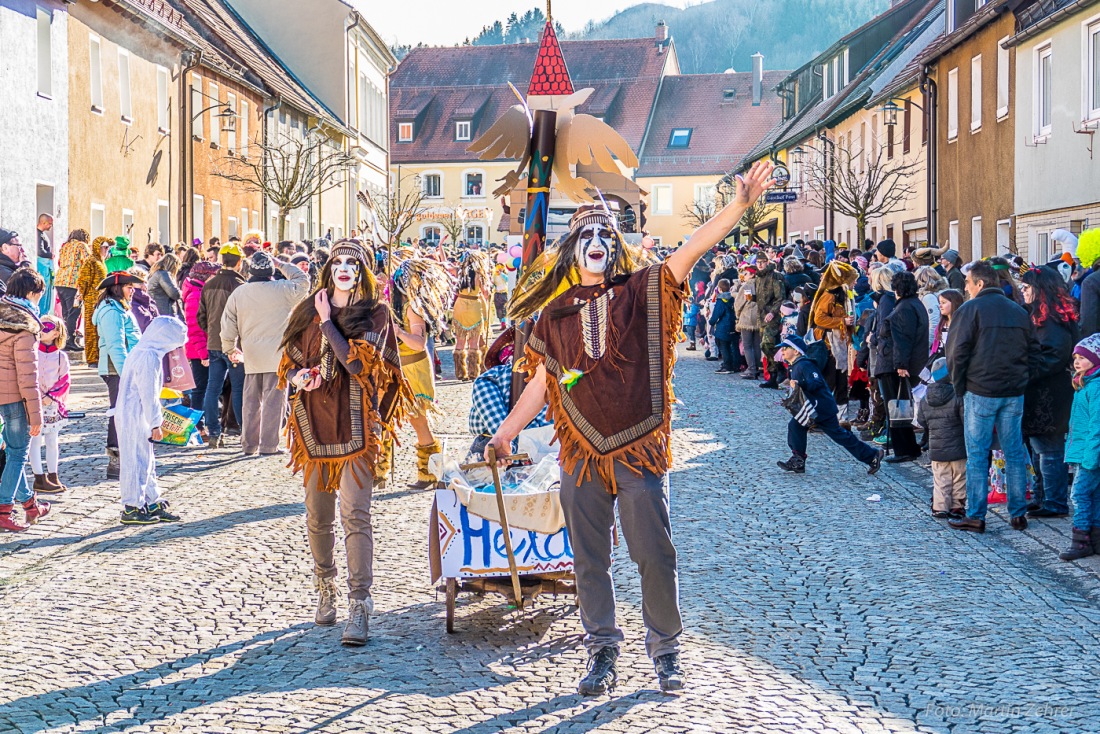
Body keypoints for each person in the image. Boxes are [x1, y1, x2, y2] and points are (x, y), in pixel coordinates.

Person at [487, 161, 776, 696]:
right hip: (582, 454)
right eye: (586, 235)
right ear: (571, 251)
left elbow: (690, 250)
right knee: (589, 559)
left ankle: (666, 651)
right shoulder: (552, 316)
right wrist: (505, 433)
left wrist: (739, 205)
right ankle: (601, 650)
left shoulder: (642, 290)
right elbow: (544, 383)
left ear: (615, 248)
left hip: (639, 447)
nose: (596, 240)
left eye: (605, 234)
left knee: (654, 554)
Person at [278, 240, 413, 646]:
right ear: (327, 268)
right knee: (317, 516)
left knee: (356, 514)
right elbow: (288, 360)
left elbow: (357, 363)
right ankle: (325, 587)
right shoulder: (305, 309)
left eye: (351, 263)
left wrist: (326, 322)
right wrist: (297, 378)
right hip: (314, 426)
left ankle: (359, 602)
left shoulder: (375, 313)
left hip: (358, 427)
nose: (343, 268)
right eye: (336, 261)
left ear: (362, 270)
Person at [947, 260, 1039, 533]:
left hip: (981, 390)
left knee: (977, 454)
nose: (966, 287)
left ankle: (976, 515)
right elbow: (1034, 351)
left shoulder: (970, 310)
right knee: (1013, 453)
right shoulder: (1018, 310)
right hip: (1012, 391)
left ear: (980, 283)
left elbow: (956, 353)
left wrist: (959, 386)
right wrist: (1023, 379)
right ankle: (1018, 513)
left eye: (968, 283)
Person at [221, 250, 310, 456]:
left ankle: (249, 445)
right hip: (277, 355)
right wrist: (282, 264)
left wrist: (230, 348)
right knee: (273, 402)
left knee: (250, 402)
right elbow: (303, 281)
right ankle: (269, 445)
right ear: (271, 271)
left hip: (250, 354)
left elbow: (228, 324)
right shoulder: (283, 289)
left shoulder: (240, 293)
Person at [776, 334, 885, 475]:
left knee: (839, 435)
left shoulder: (805, 365)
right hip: (812, 408)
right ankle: (798, 459)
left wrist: (800, 384)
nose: (782, 351)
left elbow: (816, 382)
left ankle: (871, 455)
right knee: (796, 426)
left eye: (785, 348)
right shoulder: (795, 366)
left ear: (796, 351)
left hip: (821, 407)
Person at [115, 316, 186, 525]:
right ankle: (132, 506)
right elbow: (148, 393)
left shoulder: (144, 351)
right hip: (135, 414)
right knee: (135, 460)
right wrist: (156, 422)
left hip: (137, 412)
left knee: (147, 459)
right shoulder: (148, 357)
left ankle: (151, 500)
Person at [1020, 267, 1079, 519]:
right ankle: (1042, 496)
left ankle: (1054, 502)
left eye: (1026, 287)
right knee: (1039, 448)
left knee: (1049, 450)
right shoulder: (1041, 316)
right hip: (1040, 392)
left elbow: (1053, 356)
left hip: (1050, 394)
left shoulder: (1053, 320)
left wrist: (1027, 372)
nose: (1022, 291)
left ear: (1040, 289)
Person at [390, 258, 450, 489]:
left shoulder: (413, 308)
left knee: (418, 422)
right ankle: (380, 470)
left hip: (414, 371)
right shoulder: (397, 306)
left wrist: (397, 332)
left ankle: (430, 474)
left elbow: (418, 343)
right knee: (385, 419)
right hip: (397, 369)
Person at [0, 269, 52, 532]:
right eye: (40, 295)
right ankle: (3, 510)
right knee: (18, 453)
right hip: (15, 398)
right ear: (32, 294)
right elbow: (27, 376)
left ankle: (30, 505)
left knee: (12, 453)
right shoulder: (25, 326)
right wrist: (36, 414)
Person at [92, 271, 143, 479]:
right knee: (118, 412)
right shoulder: (111, 311)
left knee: (125, 411)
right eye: (129, 287)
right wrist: (128, 373)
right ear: (117, 288)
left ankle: (126, 455)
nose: (133, 291)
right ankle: (116, 459)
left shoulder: (119, 308)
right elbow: (116, 346)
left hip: (124, 368)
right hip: (117, 370)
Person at [198, 242, 247, 448]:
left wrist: (211, 331)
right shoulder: (241, 286)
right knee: (238, 388)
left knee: (213, 388)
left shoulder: (209, 284)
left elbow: (201, 316)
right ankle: (245, 431)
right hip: (235, 344)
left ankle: (214, 432)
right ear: (239, 262)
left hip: (214, 343)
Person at [1059, 334, 1100, 560]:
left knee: (1080, 494)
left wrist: (1091, 457)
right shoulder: (1085, 384)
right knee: (1093, 495)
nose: (1077, 361)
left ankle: (1081, 540)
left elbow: (1097, 426)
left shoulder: (1096, 388)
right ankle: (1094, 538)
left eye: (1083, 357)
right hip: (1086, 451)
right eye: (1075, 357)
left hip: (1090, 453)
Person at [881, 271, 928, 463]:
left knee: (898, 407)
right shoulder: (913, 304)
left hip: (898, 364)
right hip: (906, 361)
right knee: (900, 406)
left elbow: (903, 339)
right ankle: (906, 448)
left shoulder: (904, 308)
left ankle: (905, 449)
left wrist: (901, 364)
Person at [917, 358, 966, 518]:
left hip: (936, 447)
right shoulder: (957, 396)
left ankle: (940, 506)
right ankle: (957, 506)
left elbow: (921, 421)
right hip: (958, 446)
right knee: (959, 477)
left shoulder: (926, 398)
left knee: (940, 478)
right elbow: (964, 419)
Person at [28, 316, 70, 494]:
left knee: (52, 441)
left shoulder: (61, 357)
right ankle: (39, 476)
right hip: (34, 402)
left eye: (48, 327)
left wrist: (51, 396)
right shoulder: (32, 352)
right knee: (35, 440)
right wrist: (37, 395)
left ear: (56, 332)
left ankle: (53, 475)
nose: (43, 330)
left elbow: (65, 380)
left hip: (52, 404)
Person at [452, 251, 493, 381]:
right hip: (475, 305)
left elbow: (443, 264)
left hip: (460, 306)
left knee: (460, 340)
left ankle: (460, 372)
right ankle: (473, 372)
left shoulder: (458, 272)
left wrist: (441, 246)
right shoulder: (479, 275)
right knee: (473, 341)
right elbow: (485, 293)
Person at [76, 237, 111, 367]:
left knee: (99, 330)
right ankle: (91, 358)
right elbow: (83, 281)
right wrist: (85, 296)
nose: (107, 250)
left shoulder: (101, 262)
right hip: (91, 300)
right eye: (105, 247)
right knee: (91, 329)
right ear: (98, 247)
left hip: (101, 299)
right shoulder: (90, 261)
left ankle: (99, 356)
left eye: (108, 248)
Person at [55, 229, 91, 350]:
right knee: (74, 312)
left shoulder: (65, 246)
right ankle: (70, 340)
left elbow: (60, 262)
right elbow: (88, 262)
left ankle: (64, 340)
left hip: (60, 281)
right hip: (73, 282)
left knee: (66, 312)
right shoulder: (82, 245)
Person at [734, 268, 762, 378]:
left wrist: (737, 316)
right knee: (756, 345)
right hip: (759, 316)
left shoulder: (746, 286)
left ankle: (751, 369)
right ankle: (756, 367)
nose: (744, 276)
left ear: (751, 275)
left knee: (747, 345)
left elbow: (739, 303)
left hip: (747, 317)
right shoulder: (762, 285)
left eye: (745, 274)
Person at [710, 278, 738, 373]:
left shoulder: (721, 299)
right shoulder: (733, 298)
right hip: (733, 325)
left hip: (723, 326)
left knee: (723, 346)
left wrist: (711, 322)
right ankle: (735, 365)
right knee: (733, 346)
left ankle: (727, 366)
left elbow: (717, 313)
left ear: (720, 288)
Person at [147, 253, 182, 319]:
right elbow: (174, 293)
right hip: (164, 311)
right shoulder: (163, 274)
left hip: (158, 309)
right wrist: (181, 292)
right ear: (173, 265)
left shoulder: (156, 273)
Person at [35, 214, 54, 317]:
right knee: (44, 291)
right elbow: (40, 251)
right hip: (43, 267)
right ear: (43, 223)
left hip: (45, 267)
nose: (51, 226)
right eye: (50, 224)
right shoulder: (38, 234)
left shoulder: (41, 234)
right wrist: (51, 255)